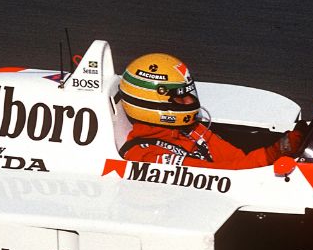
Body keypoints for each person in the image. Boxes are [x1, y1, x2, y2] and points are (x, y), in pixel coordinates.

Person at [117, 53, 300, 169]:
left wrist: (282, 148)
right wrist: (276, 152)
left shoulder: (190, 130)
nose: (190, 101)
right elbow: (229, 175)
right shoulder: (145, 156)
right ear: (152, 102)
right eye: (181, 97)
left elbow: (237, 159)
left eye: (190, 93)